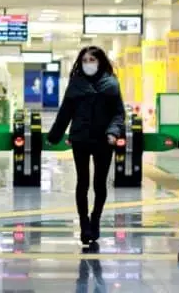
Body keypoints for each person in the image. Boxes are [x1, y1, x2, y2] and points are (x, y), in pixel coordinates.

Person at [47, 46, 125, 245]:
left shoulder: (111, 84)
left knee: (100, 183)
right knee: (83, 182)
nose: (88, 63)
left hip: (103, 140)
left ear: (100, 61)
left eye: (92, 60)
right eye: (84, 60)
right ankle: (84, 224)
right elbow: (65, 112)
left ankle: (96, 219)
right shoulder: (76, 85)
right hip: (80, 138)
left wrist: (113, 132)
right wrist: (54, 136)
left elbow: (118, 114)